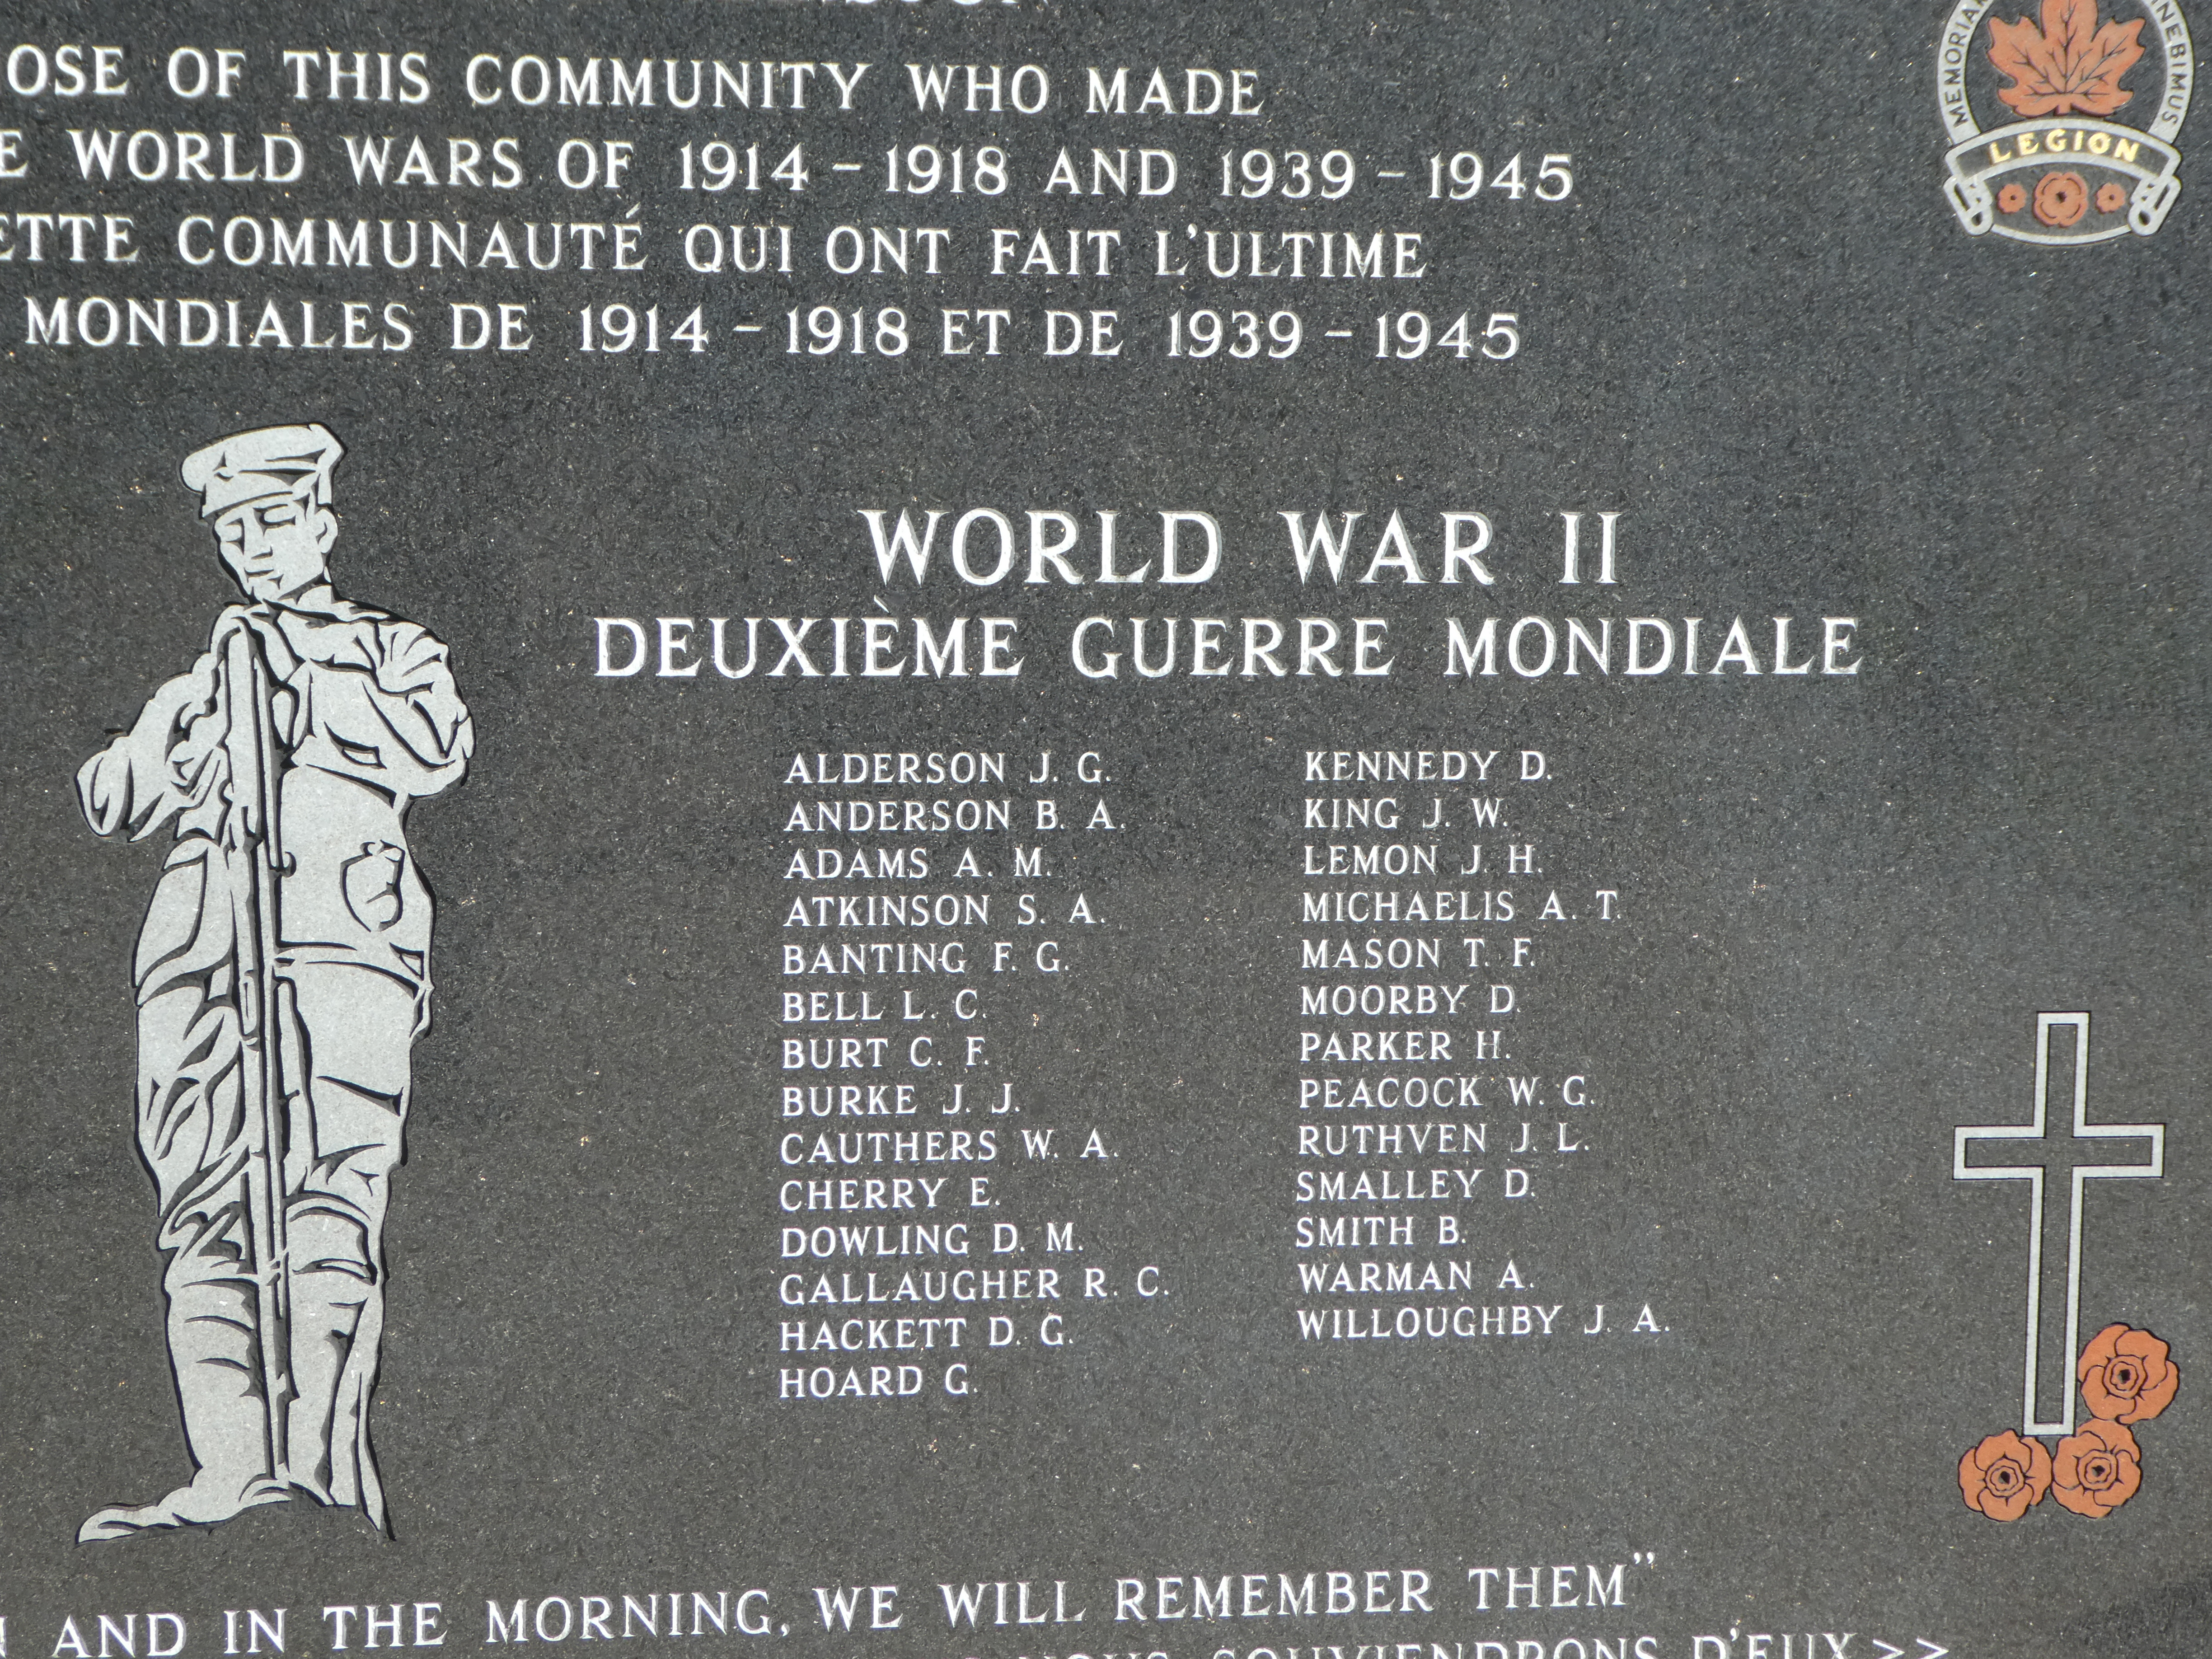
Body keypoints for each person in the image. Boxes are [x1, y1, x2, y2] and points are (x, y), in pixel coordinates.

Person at [75, 425, 473, 1541]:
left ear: (321, 526)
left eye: (273, 521)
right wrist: (195, 723)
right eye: (234, 530)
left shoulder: (387, 649)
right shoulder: (201, 675)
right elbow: (112, 797)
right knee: (206, 1213)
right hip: (203, 966)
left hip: (340, 955)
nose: (254, 545)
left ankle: (323, 1476)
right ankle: (231, 1472)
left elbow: (437, 746)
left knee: (329, 1203)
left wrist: (305, 687)